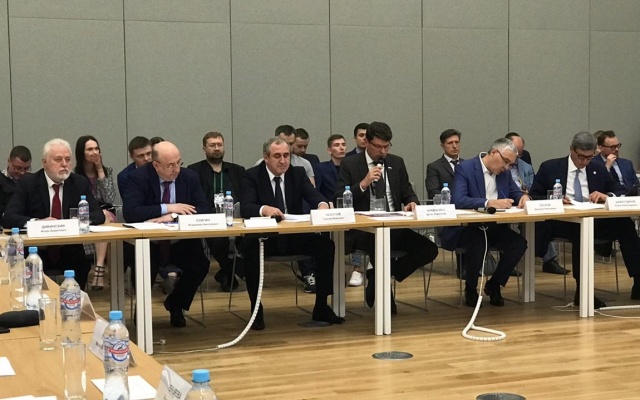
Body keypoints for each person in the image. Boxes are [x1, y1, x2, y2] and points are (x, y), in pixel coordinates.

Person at [240, 137, 344, 330]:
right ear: (266, 157)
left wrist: (322, 204)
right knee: (249, 247)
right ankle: (256, 308)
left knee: (326, 245)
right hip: (265, 238)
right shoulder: (252, 175)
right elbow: (246, 206)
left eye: (286, 155)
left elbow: (314, 196)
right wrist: (264, 209)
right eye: (277, 156)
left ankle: (321, 305)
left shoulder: (297, 173)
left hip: (293, 236)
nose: (283, 161)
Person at [336, 121, 439, 313]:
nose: (383, 151)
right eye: (378, 146)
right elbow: (340, 197)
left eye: (386, 146)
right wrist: (364, 183)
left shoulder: (396, 162)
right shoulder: (350, 164)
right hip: (364, 229)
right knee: (380, 248)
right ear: (367, 142)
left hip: (394, 225)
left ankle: (377, 276)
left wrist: (412, 202)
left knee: (429, 249)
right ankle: (385, 298)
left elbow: (407, 191)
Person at [530, 131, 640, 308]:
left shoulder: (597, 168)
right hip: (561, 221)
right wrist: (555, 200)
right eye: (581, 156)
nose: (584, 162)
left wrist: (606, 195)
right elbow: (534, 195)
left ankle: (638, 280)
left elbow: (619, 190)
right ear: (571, 149)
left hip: (593, 219)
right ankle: (583, 289)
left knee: (625, 225)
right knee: (581, 231)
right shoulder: (551, 167)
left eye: (589, 157)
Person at [122, 141, 211, 327]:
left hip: (180, 241)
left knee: (200, 264)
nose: (176, 169)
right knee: (143, 268)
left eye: (179, 162)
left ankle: (176, 304)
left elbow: (203, 208)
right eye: (170, 165)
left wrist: (173, 216)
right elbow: (131, 212)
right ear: (155, 165)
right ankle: (142, 310)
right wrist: (168, 207)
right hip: (148, 242)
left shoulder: (189, 177)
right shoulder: (138, 178)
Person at [2, 138, 105, 289]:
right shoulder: (28, 183)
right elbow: (9, 217)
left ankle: (76, 301)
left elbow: (99, 215)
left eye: (67, 159)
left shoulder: (79, 182)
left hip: (68, 248)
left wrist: (73, 223)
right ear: (44, 162)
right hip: (36, 249)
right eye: (58, 159)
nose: (64, 164)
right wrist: (38, 223)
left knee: (81, 265)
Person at [441, 138, 529, 307]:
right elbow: (458, 200)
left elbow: (515, 192)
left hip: (494, 226)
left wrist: (523, 197)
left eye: (510, 164)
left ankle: (494, 284)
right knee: (478, 244)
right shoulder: (466, 168)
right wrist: (488, 203)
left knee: (519, 244)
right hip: (468, 227)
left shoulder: (504, 173)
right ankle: (470, 288)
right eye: (506, 161)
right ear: (494, 152)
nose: (507, 167)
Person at [188, 131, 246, 292]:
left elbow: (244, 196)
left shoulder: (237, 170)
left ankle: (228, 272)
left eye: (219, 145)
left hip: (236, 219)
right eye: (212, 145)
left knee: (250, 239)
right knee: (218, 239)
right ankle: (231, 270)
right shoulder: (194, 171)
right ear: (204, 149)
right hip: (207, 218)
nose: (217, 148)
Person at [506, 133, 567, 275]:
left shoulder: (525, 166)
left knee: (543, 220)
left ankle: (549, 260)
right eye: (515, 152)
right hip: (506, 201)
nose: (517, 156)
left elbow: (534, 186)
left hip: (525, 200)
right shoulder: (500, 164)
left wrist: (526, 193)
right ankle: (509, 262)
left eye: (520, 153)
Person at [313, 134, 364, 286]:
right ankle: (334, 270)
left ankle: (357, 269)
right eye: (336, 145)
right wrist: (325, 203)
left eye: (343, 144)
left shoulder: (353, 167)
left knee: (359, 232)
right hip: (330, 211)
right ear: (329, 150)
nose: (341, 148)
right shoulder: (321, 168)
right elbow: (316, 191)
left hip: (351, 210)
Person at [74, 136, 118, 290]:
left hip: (107, 213)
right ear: (81, 153)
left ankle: (99, 269)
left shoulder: (107, 171)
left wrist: (100, 170)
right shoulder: (75, 175)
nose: (94, 152)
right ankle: (97, 270)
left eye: (96, 148)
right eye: (90, 149)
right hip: (85, 215)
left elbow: (110, 198)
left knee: (104, 216)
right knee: (98, 217)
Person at [425, 129, 463, 199]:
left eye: (457, 142)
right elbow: (433, 192)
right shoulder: (434, 167)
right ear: (442, 146)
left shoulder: (468, 165)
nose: (454, 146)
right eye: (450, 143)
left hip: (467, 204)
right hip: (446, 204)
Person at [0, 145, 32, 218]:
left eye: (26, 168)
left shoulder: (33, 181)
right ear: (9, 161)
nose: (22, 172)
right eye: (18, 168)